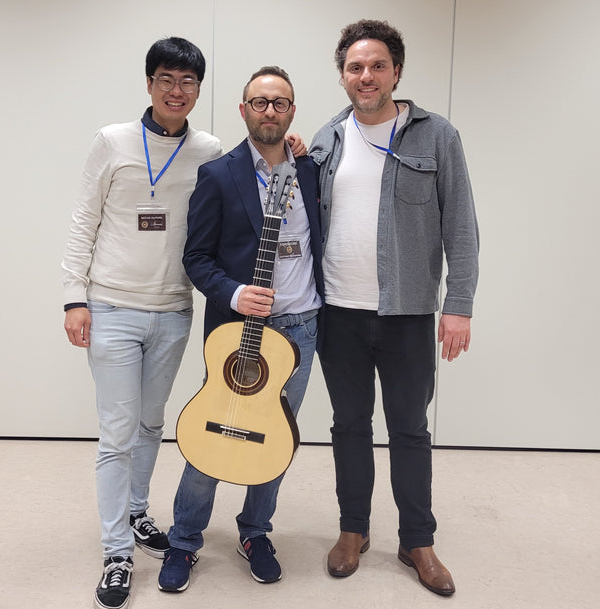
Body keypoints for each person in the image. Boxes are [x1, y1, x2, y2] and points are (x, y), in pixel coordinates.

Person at [308, 20, 479, 597]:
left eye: (378, 65)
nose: (366, 76)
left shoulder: (437, 136)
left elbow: (460, 226)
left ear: (396, 72)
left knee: (409, 430)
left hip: (407, 314)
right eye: (355, 67)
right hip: (339, 312)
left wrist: (458, 305)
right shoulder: (327, 139)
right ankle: (352, 530)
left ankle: (417, 541)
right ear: (343, 75)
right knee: (349, 426)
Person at [61, 37, 223, 609]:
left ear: (199, 89)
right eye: (165, 79)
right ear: (149, 83)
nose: (176, 91)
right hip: (109, 306)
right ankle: (116, 554)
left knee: (152, 424)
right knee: (117, 432)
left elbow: (249, 180)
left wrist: (294, 147)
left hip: (173, 309)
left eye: (187, 82)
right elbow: (84, 218)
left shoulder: (209, 149)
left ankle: (135, 512)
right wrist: (72, 297)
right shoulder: (113, 141)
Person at [157, 66, 323, 592]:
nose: (269, 111)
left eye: (280, 102)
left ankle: (255, 531)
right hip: (238, 329)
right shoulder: (219, 175)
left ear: (292, 111)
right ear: (243, 109)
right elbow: (197, 257)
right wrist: (233, 292)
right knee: (212, 432)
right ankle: (184, 539)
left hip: (298, 328)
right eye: (259, 102)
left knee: (276, 438)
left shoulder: (310, 170)